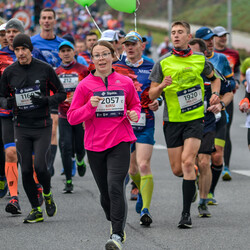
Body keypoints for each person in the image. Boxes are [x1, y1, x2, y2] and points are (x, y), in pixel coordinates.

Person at [67, 40, 141, 249]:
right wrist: (89, 107)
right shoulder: (84, 86)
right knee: (105, 194)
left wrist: (134, 113)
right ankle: (113, 217)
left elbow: (134, 105)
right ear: (92, 59)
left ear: (113, 56)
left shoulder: (125, 82)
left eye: (105, 54)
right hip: (95, 144)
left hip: (120, 140)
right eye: (97, 55)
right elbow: (72, 117)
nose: (101, 58)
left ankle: (117, 234)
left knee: (115, 186)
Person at [149, 21, 220, 229]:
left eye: (180, 32)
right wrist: (162, 85)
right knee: (177, 170)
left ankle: (185, 215)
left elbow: (215, 79)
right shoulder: (162, 62)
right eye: (173, 32)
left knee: (188, 162)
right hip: (172, 121)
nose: (176, 35)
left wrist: (215, 93)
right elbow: (151, 94)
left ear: (189, 37)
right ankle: (192, 179)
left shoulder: (200, 59)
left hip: (195, 118)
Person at [0, 33, 66, 223]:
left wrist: (46, 100)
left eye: (24, 49)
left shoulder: (44, 69)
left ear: (30, 49)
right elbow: (1, 97)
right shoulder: (9, 72)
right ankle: (36, 209)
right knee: (26, 170)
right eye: (17, 50)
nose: (21, 53)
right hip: (21, 125)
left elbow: (61, 93)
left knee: (40, 167)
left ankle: (46, 192)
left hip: (42, 125)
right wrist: (9, 102)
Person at [113, 31, 160, 227]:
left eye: (134, 44)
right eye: (127, 44)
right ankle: (140, 189)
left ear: (142, 45)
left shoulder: (152, 65)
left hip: (145, 122)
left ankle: (146, 210)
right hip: (124, 124)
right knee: (132, 169)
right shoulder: (116, 67)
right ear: (123, 47)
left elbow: (159, 90)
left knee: (143, 165)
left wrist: (158, 101)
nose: (130, 48)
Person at [0, 18, 46, 214]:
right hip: (6, 113)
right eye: (8, 31)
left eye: (14, 31)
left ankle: (37, 186)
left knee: (31, 159)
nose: (10, 34)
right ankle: (14, 197)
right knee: (10, 153)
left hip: (30, 114)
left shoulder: (36, 56)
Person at [189, 38, 233, 217]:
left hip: (212, 121)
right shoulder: (182, 71)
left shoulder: (211, 72)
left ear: (204, 54)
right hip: (188, 123)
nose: (189, 56)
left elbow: (229, 91)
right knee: (189, 163)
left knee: (207, 160)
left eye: (193, 52)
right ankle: (191, 182)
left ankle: (204, 200)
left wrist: (220, 104)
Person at [31, 8, 65, 177]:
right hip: (35, 93)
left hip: (55, 92)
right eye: (43, 18)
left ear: (54, 21)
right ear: (40, 21)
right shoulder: (32, 42)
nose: (46, 21)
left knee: (53, 128)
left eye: (49, 18)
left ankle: (49, 166)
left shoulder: (62, 44)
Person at [56, 40, 89, 193]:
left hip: (81, 115)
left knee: (80, 147)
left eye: (68, 50)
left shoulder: (83, 70)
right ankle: (68, 180)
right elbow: (52, 92)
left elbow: (91, 89)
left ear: (74, 51)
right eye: (63, 51)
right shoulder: (56, 72)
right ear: (59, 54)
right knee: (66, 147)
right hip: (64, 115)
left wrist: (79, 98)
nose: (66, 53)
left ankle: (81, 160)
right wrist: (60, 98)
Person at [214, 26, 241, 181]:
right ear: (213, 38)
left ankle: (226, 166)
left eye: (225, 36)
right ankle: (212, 160)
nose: (223, 38)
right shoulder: (209, 54)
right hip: (211, 99)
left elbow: (236, 70)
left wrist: (236, 81)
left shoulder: (233, 54)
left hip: (227, 98)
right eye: (219, 36)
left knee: (225, 130)